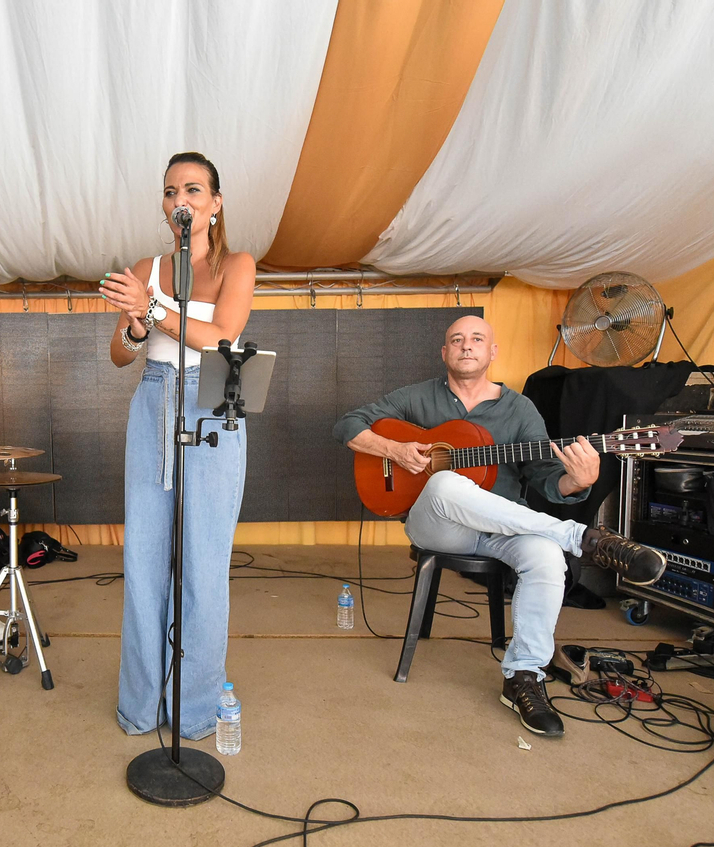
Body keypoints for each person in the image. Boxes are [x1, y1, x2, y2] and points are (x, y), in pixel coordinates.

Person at [333, 315, 667, 737]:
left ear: (492, 352)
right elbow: (346, 425)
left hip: (504, 529)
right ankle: (580, 538)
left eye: (477, 339)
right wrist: (394, 449)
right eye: (456, 339)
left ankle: (524, 677)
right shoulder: (416, 398)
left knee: (547, 557)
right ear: (444, 352)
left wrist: (578, 481)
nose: (466, 345)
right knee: (444, 481)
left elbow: (547, 476)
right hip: (437, 524)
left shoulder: (519, 409)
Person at [99, 151, 255, 739]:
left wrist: (153, 310)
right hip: (154, 400)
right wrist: (136, 324)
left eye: (192, 189)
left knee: (204, 564)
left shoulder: (240, 263)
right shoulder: (148, 267)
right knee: (143, 560)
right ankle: (140, 707)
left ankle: (192, 713)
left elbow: (221, 336)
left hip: (212, 405)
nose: (179, 200)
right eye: (169, 191)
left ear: (214, 203)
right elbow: (119, 352)